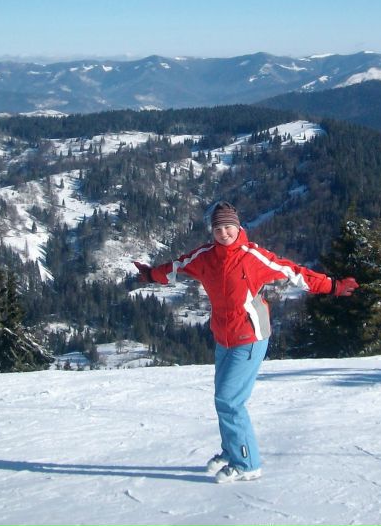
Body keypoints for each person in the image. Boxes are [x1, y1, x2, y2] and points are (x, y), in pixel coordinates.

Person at [133, 201, 359, 483]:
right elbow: (175, 267)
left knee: (229, 401)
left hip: (250, 336)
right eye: (218, 228)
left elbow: (293, 272)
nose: (224, 233)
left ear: (238, 228)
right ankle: (231, 451)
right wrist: (150, 275)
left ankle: (247, 463)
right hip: (223, 336)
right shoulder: (204, 257)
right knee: (224, 400)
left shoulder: (252, 257)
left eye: (229, 227)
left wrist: (333, 286)